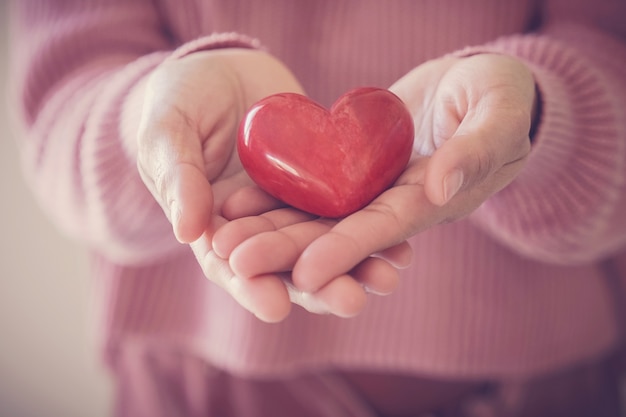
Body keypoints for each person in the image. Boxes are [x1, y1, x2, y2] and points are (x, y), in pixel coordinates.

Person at [8, 0, 626, 416]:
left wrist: (538, 117)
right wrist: (153, 122)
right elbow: (64, 91)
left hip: (534, 378)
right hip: (197, 387)